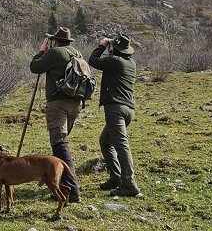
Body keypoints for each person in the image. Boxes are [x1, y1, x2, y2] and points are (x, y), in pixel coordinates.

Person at [29, 26, 82, 203]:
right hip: (76, 103)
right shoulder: (76, 53)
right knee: (63, 143)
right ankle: (63, 184)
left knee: (60, 145)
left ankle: (71, 191)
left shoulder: (54, 52)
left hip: (58, 104)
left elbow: (35, 67)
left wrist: (41, 51)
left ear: (56, 41)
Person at [88, 33, 141, 197]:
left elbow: (93, 61)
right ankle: (116, 177)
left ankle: (129, 184)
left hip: (115, 109)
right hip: (128, 109)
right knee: (105, 141)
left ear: (115, 49)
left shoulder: (115, 61)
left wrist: (102, 45)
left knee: (121, 145)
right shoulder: (131, 63)